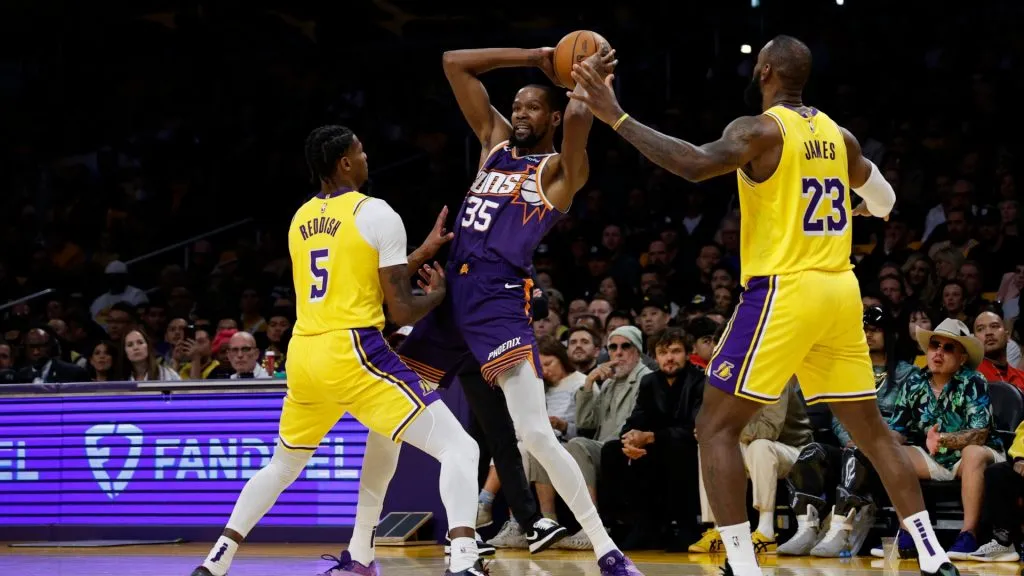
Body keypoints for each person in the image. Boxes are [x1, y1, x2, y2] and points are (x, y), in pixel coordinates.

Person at [568, 34, 958, 576]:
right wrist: (855, 206)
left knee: (715, 427)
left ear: (766, 71)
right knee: (873, 432)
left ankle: (743, 565)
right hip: (840, 289)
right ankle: (935, 556)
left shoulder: (757, 129)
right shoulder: (839, 136)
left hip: (784, 288)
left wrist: (616, 117)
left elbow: (694, 164)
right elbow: (886, 202)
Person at [190, 125, 486, 576]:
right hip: (354, 350)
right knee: (460, 449)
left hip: (305, 353)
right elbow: (402, 310)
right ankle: (464, 561)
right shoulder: (377, 211)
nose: (367, 157)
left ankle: (218, 559)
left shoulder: (300, 218)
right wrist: (438, 296)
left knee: (283, 465)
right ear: (345, 163)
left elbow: (355, 280)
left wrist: (421, 251)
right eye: (361, 151)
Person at [397, 43, 645, 576]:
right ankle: (359, 547)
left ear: (552, 116)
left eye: (532, 106)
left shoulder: (558, 175)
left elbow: (580, 119)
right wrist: (536, 56)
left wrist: (584, 77)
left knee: (532, 433)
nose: (519, 113)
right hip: (448, 297)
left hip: (497, 299)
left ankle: (606, 549)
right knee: (389, 413)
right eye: (516, 105)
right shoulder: (494, 145)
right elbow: (452, 63)